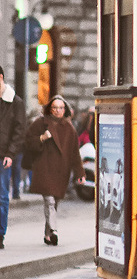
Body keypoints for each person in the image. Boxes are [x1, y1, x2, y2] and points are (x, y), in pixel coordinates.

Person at [24, 96, 85, 245]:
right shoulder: (41, 123)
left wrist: (80, 173)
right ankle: (54, 231)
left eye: (61, 108)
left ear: (65, 110)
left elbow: (74, 153)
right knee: (49, 201)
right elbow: (27, 141)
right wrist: (42, 138)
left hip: (60, 171)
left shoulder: (69, 128)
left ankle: (47, 235)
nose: (58, 111)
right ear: (50, 109)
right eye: (55, 108)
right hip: (44, 169)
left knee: (54, 203)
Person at [0, 65, 25, 250]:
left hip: (3, 156)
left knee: (2, 196)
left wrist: (10, 154)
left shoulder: (15, 102)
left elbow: (19, 130)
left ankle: (0, 234)